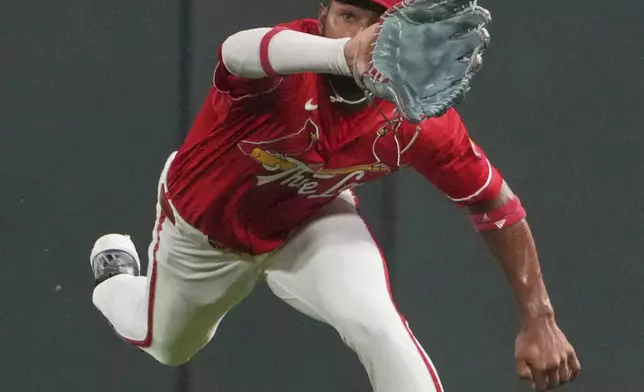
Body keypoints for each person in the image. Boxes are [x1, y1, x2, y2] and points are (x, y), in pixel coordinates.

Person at [89, 0, 581, 391]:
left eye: (377, 22)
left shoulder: (416, 118)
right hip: (204, 231)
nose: (359, 34)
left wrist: (539, 316)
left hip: (312, 217)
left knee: (375, 323)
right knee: (169, 345)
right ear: (322, 14)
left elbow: (494, 204)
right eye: (347, 15)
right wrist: (343, 55)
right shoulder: (284, 63)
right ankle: (115, 281)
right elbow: (237, 49)